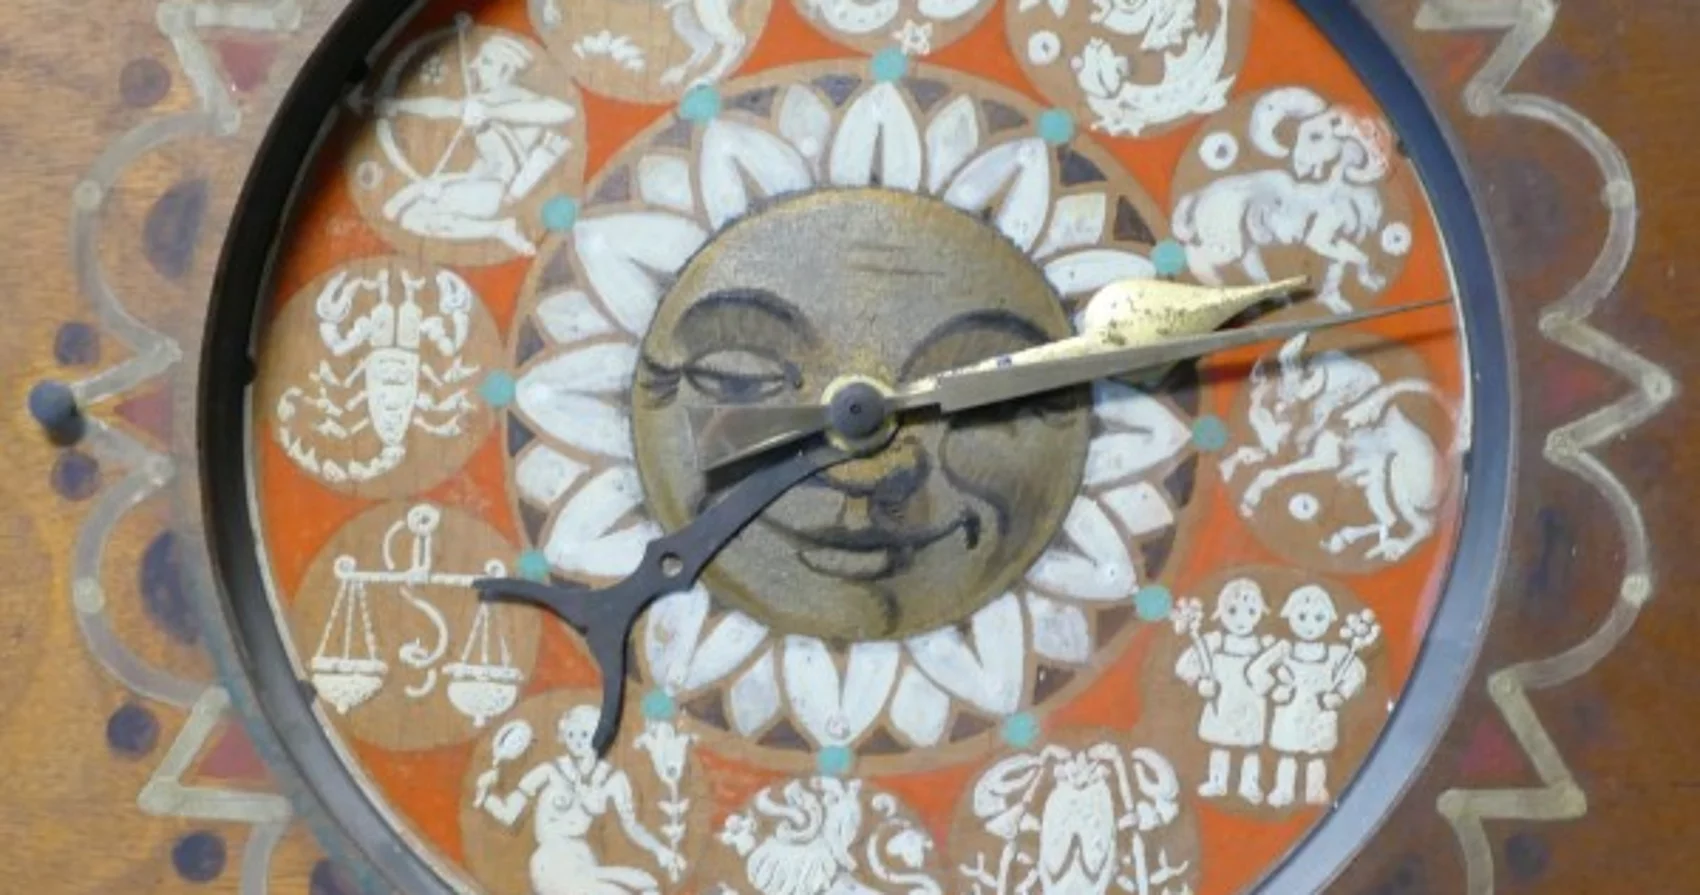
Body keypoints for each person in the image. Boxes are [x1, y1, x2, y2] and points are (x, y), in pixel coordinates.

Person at [376, 34, 576, 255]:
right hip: (475, 182)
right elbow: (442, 107)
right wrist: (399, 106)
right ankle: (498, 229)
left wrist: (490, 112)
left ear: (505, 70)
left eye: (485, 61)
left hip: (495, 191)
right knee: (398, 210)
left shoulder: (521, 100)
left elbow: (564, 112)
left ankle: (498, 229)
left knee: (407, 212)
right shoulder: (479, 102)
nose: (474, 65)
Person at [476, 705, 683, 895]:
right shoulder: (548, 771)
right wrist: (485, 793)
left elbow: (632, 827)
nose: (577, 741)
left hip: (584, 859)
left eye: (585, 734)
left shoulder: (613, 779)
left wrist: (660, 850)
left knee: (649, 885)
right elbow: (508, 815)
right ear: (563, 736)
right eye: (571, 734)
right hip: (551, 860)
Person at [1261, 585, 1367, 807]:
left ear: (1329, 619)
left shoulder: (1336, 654)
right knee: (1287, 754)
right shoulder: (1283, 650)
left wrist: (1340, 695)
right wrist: (1274, 690)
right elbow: (1258, 670)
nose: (1309, 625)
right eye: (1302, 617)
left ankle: (1316, 790)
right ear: (1289, 616)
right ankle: (1283, 790)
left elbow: (1356, 673)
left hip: (1320, 716)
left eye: (1318, 617)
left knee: (1316, 756)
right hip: (1290, 713)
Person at [1174, 578, 1276, 803]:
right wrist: (1200, 683)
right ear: (1221, 611)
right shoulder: (1215, 642)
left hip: (1250, 702)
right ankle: (1217, 781)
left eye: (1250, 611)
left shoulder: (1263, 644)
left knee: (1251, 747)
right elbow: (1184, 666)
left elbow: (1279, 670)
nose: (1241, 619)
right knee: (1220, 744)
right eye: (1233, 611)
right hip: (1222, 700)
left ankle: (1249, 784)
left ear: (1261, 612)